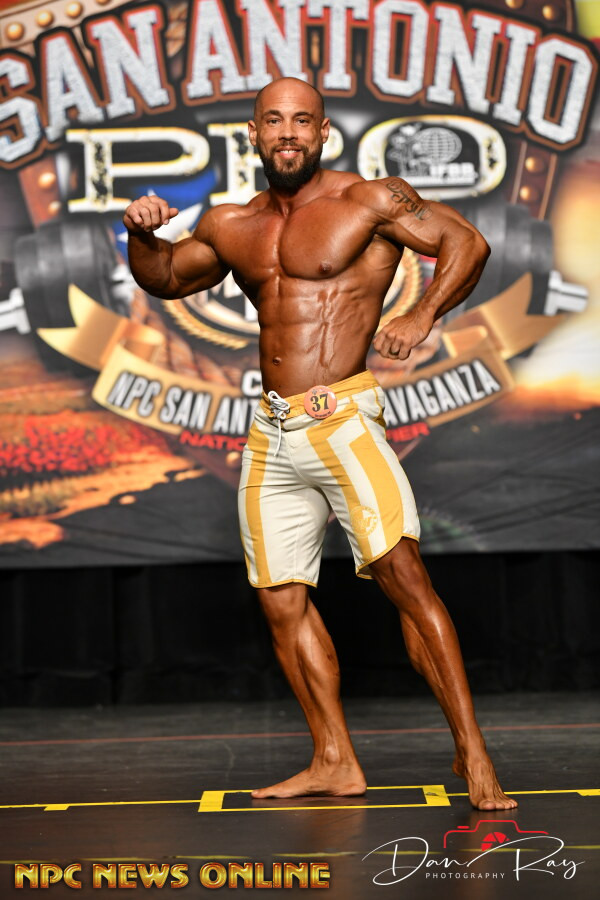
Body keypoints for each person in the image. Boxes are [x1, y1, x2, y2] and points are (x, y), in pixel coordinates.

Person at [124, 77, 517, 811]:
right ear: (253, 132)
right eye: (274, 120)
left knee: (405, 580)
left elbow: (466, 242)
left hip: (343, 420)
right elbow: (168, 279)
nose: (289, 133)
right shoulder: (232, 222)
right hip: (270, 431)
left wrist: (424, 314)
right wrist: (142, 237)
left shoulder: (368, 200)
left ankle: (473, 752)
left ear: (323, 131)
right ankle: (334, 759)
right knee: (280, 601)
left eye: (302, 120)